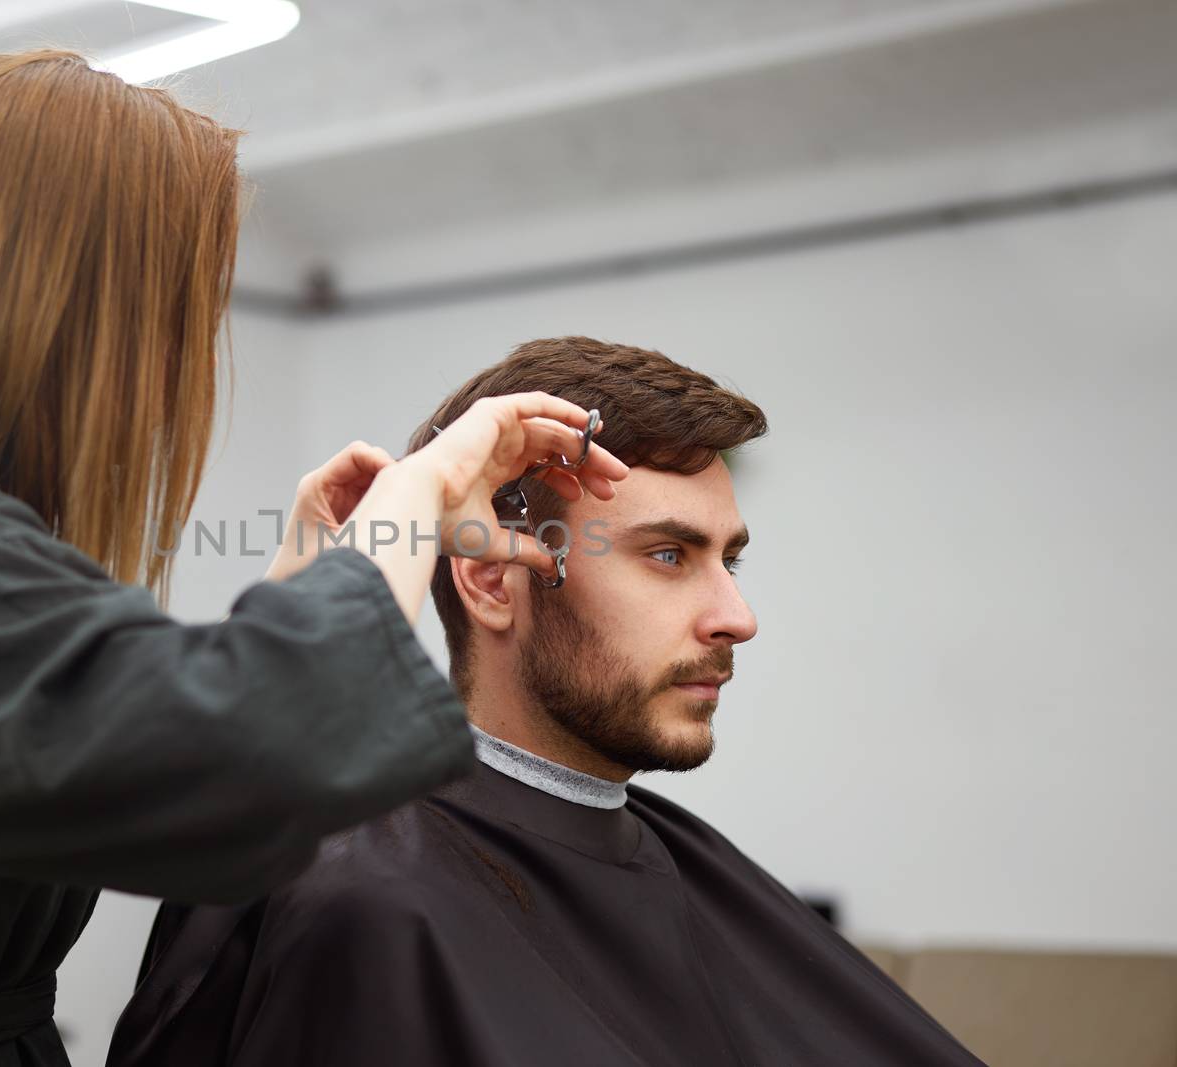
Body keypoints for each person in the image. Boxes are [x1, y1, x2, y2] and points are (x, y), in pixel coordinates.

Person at [0, 54, 628, 1067]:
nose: (187, 354)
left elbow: (153, 754)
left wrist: (310, 567)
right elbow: (255, 754)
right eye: (183, 307)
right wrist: (420, 495)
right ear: (81, 306)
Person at [107, 336, 985, 1067]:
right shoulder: (368, 900)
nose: (737, 617)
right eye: (669, 556)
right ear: (493, 579)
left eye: (731, 560)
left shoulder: (677, 863)